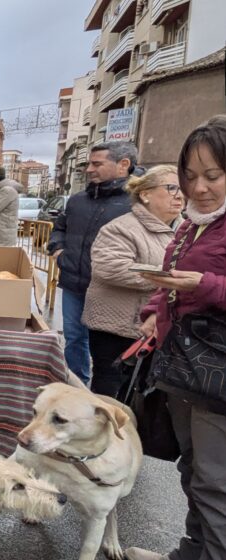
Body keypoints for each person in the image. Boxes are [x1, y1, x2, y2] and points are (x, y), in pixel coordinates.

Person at [126, 116, 226, 560]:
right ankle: (191, 551)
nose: (199, 187)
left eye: (213, 176)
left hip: (217, 374)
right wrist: (154, 309)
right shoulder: (191, 223)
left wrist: (203, 286)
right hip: (183, 364)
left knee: (214, 479)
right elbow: (172, 281)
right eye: (190, 177)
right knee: (193, 470)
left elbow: (201, 283)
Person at [81, 165, 184, 398]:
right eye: (171, 188)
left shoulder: (185, 230)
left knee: (143, 396)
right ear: (145, 194)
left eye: (182, 189)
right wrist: (173, 280)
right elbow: (110, 267)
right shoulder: (121, 229)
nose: (179, 195)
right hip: (117, 329)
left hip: (159, 329)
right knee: (111, 395)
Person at [47, 141, 136, 384]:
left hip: (112, 291)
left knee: (105, 349)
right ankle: (76, 386)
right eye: (88, 163)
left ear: (123, 165)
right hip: (74, 285)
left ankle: (103, 398)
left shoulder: (137, 203)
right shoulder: (77, 201)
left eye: (97, 164)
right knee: (74, 338)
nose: (89, 169)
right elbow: (60, 228)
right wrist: (58, 250)